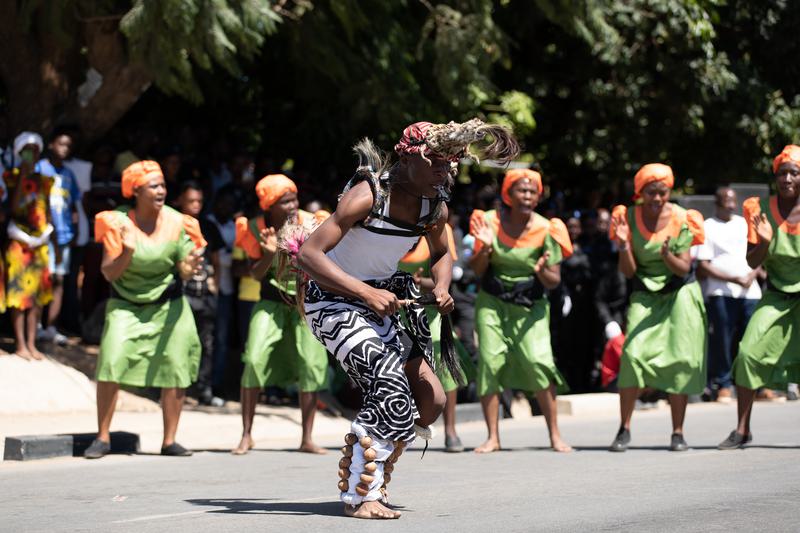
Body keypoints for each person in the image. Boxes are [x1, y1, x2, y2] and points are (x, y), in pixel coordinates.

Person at [298, 119, 519, 519]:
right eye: (437, 163)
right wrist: (365, 292)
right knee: (389, 387)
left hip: (386, 298)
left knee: (430, 399)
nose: (445, 172)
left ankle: (375, 471)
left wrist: (442, 286)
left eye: (450, 164)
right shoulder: (368, 195)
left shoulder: (433, 204)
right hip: (332, 301)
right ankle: (360, 495)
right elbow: (309, 256)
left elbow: (442, 253)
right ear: (408, 158)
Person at [84, 160, 205, 459]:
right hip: (125, 305)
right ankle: (102, 437)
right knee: (111, 361)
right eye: (154, 185)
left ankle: (170, 440)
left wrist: (189, 267)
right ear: (136, 191)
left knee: (176, 365)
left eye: (163, 184)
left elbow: (186, 268)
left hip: (168, 305)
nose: (161, 190)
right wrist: (126, 250)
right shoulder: (118, 222)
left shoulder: (178, 222)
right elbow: (109, 273)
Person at [469, 168, 574, 454]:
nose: (527, 195)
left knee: (539, 362)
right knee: (490, 363)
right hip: (492, 302)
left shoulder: (547, 228)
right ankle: (493, 437)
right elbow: (476, 270)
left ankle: (555, 435)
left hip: (531, 305)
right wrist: (485, 250)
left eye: (532, 191)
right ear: (508, 194)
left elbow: (554, 280)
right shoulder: (488, 222)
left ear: (538, 197)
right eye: (521, 190)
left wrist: (542, 272)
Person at [608, 163, 706, 452]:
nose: (657, 199)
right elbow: (627, 272)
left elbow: (684, 267)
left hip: (679, 294)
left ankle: (677, 432)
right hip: (645, 296)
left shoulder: (683, 218)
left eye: (662, 193)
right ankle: (624, 428)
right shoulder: (626, 217)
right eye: (651, 192)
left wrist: (666, 256)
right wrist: (625, 245)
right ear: (640, 193)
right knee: (632, 356)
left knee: (679, 360)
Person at [232, 174, 329, 455]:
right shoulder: (253, 227)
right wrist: (271, 252)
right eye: (283, 202)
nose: (291, 206)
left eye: (293, 199)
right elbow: (255, 273)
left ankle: (307, 438)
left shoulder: (313, 222)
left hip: (305, 304)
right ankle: (246, 434)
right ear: (269, 207)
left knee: (311, 365)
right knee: (253, 359)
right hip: (270, 302)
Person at [718, 145, 800, 449]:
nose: (788, 178)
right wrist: (765, 241)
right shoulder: (759, 209)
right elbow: (753, 262)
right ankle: (742, 429)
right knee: (748, 354)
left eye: (794, 172)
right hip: (776, 295)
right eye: (782, 173)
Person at [398, 225, 475, 453]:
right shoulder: (386, 229)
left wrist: (421, 284)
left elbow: (444, 281)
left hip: (428, 311)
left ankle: (451, 430)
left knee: (443, 366)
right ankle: (401, 427)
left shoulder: (438, 230)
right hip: (395, 311)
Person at [696, 187, 761, 402]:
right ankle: (723, 384)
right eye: (726, 201)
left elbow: (758, 253)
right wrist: (733, 279)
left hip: (749, 292)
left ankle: (755, 385)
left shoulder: (744, 224)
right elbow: (703, 266)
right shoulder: (707, 226)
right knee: (722, 341)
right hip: (720, 292)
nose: (731, 205)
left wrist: (753, 274)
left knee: (753, 341)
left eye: (733, 200)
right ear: (717, 203)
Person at [4, 132, 54, 360]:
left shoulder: (45, 181)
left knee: (37, 295)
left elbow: (48, 211)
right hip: (18, 242)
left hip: (40, 242)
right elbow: (12, 209)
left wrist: (48, 233)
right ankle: (20, 344)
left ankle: (32, 343)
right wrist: (22, 177)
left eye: (34, 150)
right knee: (18, 294)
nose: (30, 154)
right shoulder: (10, 177)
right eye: (27, 150)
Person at [175, 181, 225, 406]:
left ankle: (204, 390)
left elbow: (216, 260)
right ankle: (178, 389)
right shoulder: (172, 224)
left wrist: (215, 284)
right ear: (180, 201)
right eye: (191, 201)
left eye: (199, 201)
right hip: (181, 293)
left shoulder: (208, 225)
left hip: (204, 294)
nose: (196, 205)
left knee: (207, 343)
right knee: (180, 342)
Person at [38, 130, 82, 345]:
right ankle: (36, 325)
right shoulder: (40, 168)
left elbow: (73, 204)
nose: (64, 149)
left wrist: (74, 229)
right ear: (51, 144)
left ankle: (51, 327)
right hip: (42, 236)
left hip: (64, 237)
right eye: (61, 144)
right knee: (41, 279)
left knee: (59, 281)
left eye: (68, 145)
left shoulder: (68, 174)